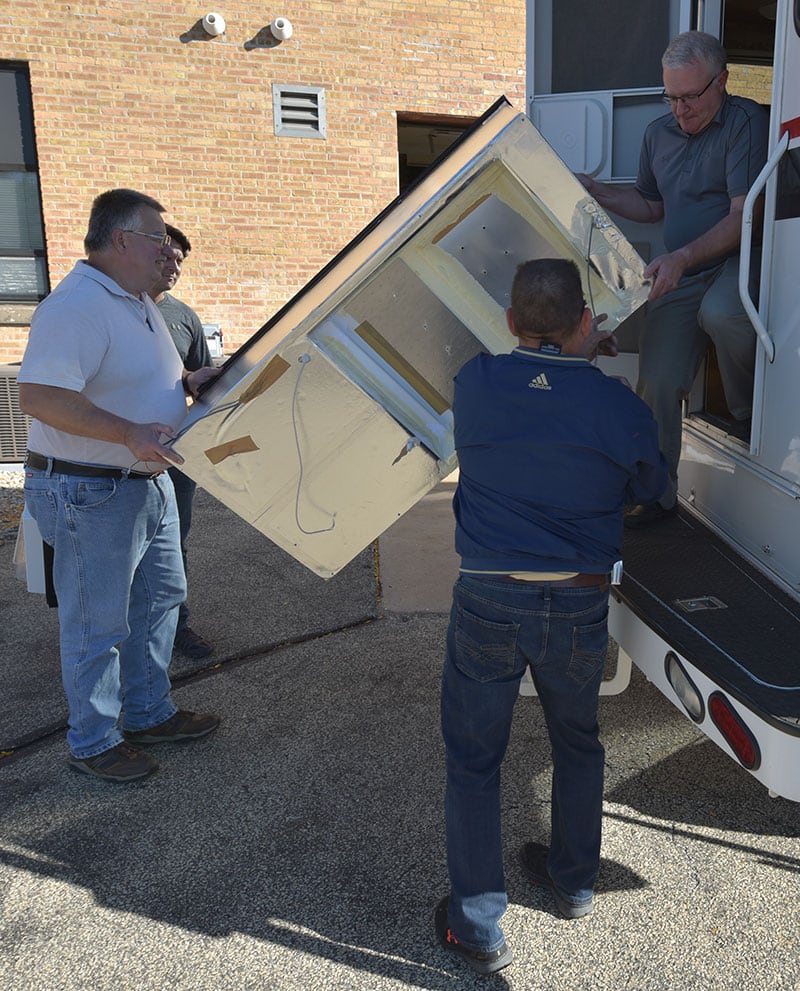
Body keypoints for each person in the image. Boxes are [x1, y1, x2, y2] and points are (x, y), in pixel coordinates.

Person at [435, 258, 668, 975]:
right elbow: (655, 488)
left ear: (510, 322)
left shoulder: (473, 382)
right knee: (578, 741)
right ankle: (573, 880)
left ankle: (477, 926)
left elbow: (518, 387)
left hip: (487, 594)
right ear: (588, 326)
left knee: (475, 760)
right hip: (577, 598)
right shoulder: (619, 406)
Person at [18, 188, 220, 784]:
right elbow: (41, 396)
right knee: (97, 622)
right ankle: (93, 740)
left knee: (159, 601)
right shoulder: (77, 305)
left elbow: (133, 375)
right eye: (158, 237)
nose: (167, 249)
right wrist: (128, 432)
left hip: (142, 482)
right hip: (91, 490)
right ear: (121, 239)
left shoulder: (135, 301)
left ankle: (148, 712)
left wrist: (188, 379)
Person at [578, 31, 769, 528]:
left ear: (722, 81)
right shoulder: (657, 133)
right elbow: (652, 205)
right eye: (672, 97)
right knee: (658, 381)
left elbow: (741, 216)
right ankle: (658, 494)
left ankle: (749, 417)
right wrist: (597, 191)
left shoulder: (747, 122)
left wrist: (681, 258)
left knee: (724, 313)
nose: (680, 109)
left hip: (737, 259)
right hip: (683, 267)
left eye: (691, 96)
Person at [148, 223, 215, 660]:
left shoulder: (184, 316)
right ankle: (132, 632)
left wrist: (197, 380)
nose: (174, 266)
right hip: (121, 458)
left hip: (174, 456)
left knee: (173, 544)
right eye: (166, 257)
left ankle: (176, 626)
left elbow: (197, 382)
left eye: (179, 261)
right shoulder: (115, 309)